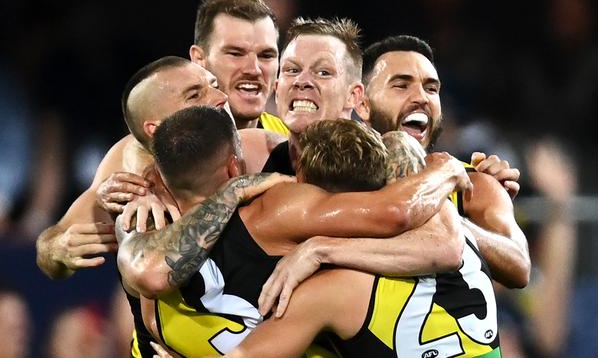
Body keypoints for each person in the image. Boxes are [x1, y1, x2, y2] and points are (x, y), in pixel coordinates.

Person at [117, 106, 470, 357]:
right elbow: (397, 212)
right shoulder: (279, 211)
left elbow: (149, 272)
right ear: (234, 167)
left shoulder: (137, 238)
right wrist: (443, 168)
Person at [35, 56, 290, 358]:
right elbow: (50, 253)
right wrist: (58, 249)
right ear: (155, 129)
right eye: (195, 95)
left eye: (213, 86)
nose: (221, 98)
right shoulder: (127, 175)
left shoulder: (265, 149)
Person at [259, 34, 529, 314]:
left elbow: (519, 265)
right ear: (361, 103)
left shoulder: (470, 182)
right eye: (401, 85)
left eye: (431, 88)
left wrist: (439, 213)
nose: (421, 98)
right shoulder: (331, 179)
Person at [188, 0, 288, 132]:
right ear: (199, 59)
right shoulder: (166, 144)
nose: (254, 69)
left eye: (266, 55)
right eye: (236, 54)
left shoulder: (293, 144)